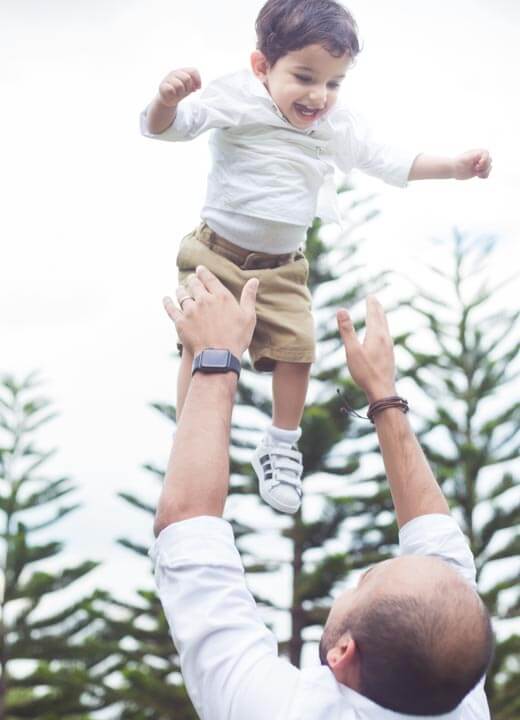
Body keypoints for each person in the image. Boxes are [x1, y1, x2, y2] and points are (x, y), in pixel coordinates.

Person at [140, 0, 493, 516]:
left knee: (297, 353)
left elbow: (390, 160)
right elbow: (167, 127)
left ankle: (282, 443)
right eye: (304, 77)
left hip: (282, 267)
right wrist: (165, 100)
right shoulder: (237, 97)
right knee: (200, 347)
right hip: (214, 254)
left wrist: (454, 167)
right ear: (263, 67)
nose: (318, 96)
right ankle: (189, 439)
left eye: (333, 82)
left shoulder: (336, 126)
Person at [150, 264, 501, 720]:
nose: (364, 575)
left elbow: (188, 525)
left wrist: (216, 356)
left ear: (342, 652)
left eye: (364, 582)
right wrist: (383, 394)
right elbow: (442, 558)